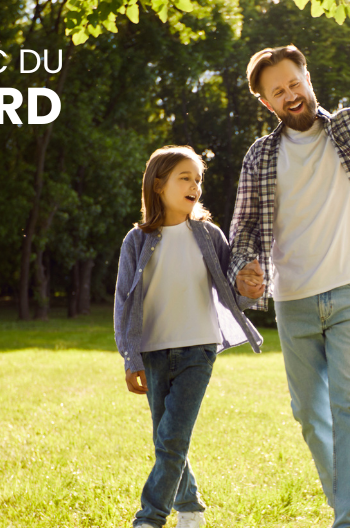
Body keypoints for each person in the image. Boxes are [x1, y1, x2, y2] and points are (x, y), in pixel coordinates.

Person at [228, 45, 350, 528]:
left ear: (308, 78)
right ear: (266, 104)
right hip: (293, 300)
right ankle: (346, 509)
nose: (290, 95)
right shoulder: (261, 156)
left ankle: (349, 521)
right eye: (278, 92)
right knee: (309, 416)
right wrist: (245, 270)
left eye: (295, 83)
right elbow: (244, 230)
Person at [113, 146, 263, 528]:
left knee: (173, 439)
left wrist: (249, 283)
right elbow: (124, 303)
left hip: (199, 349)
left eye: (198, 179)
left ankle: (149, 518)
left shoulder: (208, 235)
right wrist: (130, 359)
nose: (195, 185)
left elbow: (235, 285)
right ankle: (191, 508)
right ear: (158, 185)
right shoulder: (137, 240)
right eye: (186, 177)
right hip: (154, 353)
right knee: (167, 439)